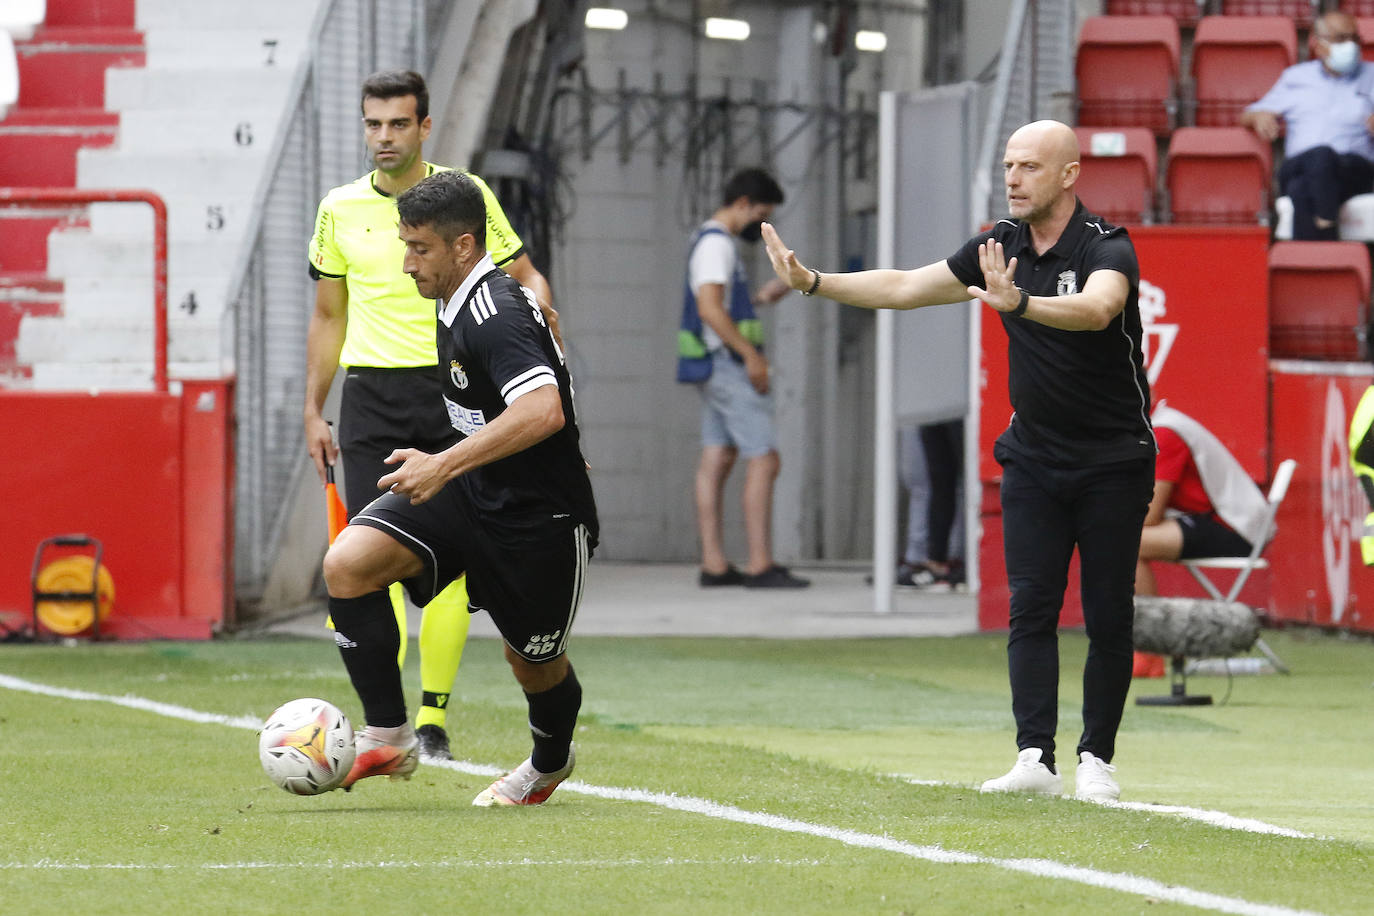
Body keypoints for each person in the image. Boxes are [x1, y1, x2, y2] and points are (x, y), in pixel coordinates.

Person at [762, 120, 1154, 803]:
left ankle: (1098, 760)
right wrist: (813, 281)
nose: (1013, 177)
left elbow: (1098, 310)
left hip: (1113, 461)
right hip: (1033, 456)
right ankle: (1036, 756)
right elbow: (907, 287)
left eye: (1030, 166)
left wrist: (1023, 304)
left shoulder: (1105, 246)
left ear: (1068, 174)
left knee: (1106, 613)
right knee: (1030, 607)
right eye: (1009, 164)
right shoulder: (997, 245)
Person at [304, 69, 559, 762]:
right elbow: (329, 315)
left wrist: (537, 309)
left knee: (454, 560)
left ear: (424, 127)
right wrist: (312, 409)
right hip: (371, 403)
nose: (382, 137)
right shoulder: (338, 209)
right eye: (372, 123)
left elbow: (523, 271)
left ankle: (434, 716)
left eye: (396, 123)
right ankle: (388, 727)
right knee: (368, 556)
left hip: (455, 395)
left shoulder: (461, 198)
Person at [324, 169, 597, 803]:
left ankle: (549, 762)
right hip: (473, 490)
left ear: (464, 246)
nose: (406, 264)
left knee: (533, 662)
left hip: (538, 517)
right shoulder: (458, 298)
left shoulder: (492, 311)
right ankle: (390, 735)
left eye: (419, 249)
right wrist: (448, 464)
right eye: (405, 246)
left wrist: (440, 464)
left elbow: (542, 411)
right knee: (349, 564)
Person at [678, 168, 809, 589]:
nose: (761, 224)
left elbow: (718, 307)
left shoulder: (711, 243)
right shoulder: (717, 245)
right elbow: (710, 309)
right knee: (764, 458)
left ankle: (714, 564)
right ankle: (759, 564)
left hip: (712, 365)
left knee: (718, 456)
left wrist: (759, 299)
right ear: (744, 205)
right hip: (727, 366)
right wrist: (751, 357)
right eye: (762, 215)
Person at [1133, 404, 1270, 677]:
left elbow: (1149, 514)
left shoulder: (1164, 433)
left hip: (1233, 527)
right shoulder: (1158, 426)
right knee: (1119, 541)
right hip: (1219, 519)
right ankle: (1146, 648)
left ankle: (1150, 649)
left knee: (1123, 544)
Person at [1241, 10, 1374, 241]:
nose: (1351, 46)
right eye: (1341, 39)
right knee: (1319, 157)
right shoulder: (1296, 78)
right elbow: (1249, 114)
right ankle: (1326, 229)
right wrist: (1258, 117)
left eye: (1355, 39)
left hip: (1353, 170)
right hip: (1300, 164)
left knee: (1300, 189)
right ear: (1317, 44)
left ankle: (1321, 232)